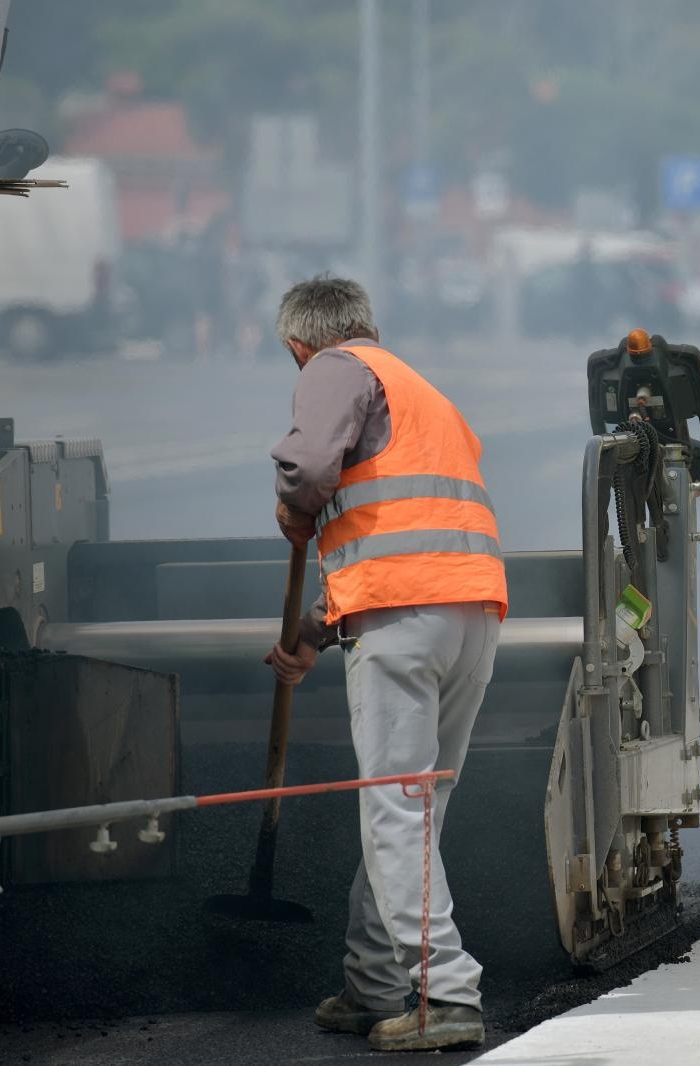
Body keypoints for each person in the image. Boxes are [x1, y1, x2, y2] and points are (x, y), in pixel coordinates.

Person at [264, 276, 507, 1051]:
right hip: (471, 612)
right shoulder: (418, 391)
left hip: (404, 618)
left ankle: (448, 997)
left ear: (300, 344)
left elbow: (309, 470)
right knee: (413, 810)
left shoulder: (333, 367)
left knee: (396, 812)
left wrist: (293, 505)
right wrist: (314, 629)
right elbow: (403, 529)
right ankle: (372, 982)